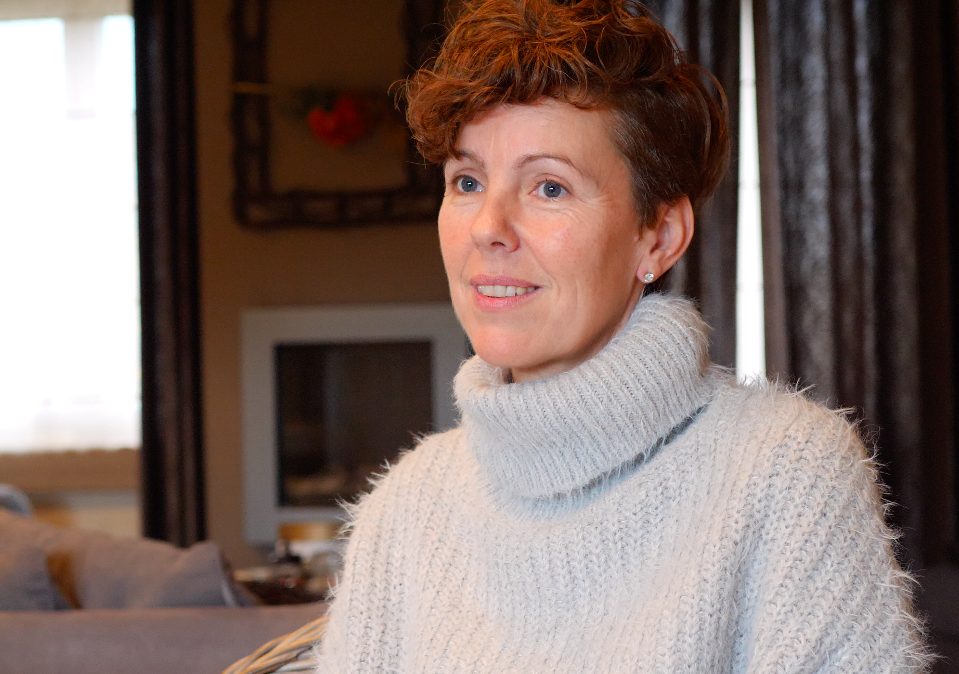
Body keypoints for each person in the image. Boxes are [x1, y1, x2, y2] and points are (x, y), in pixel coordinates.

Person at [312, 0, 930, 671]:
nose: (488, 225)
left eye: (548, 188)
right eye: (466, 181)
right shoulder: (405, 509)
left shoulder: (784, 469)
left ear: (658, 237)